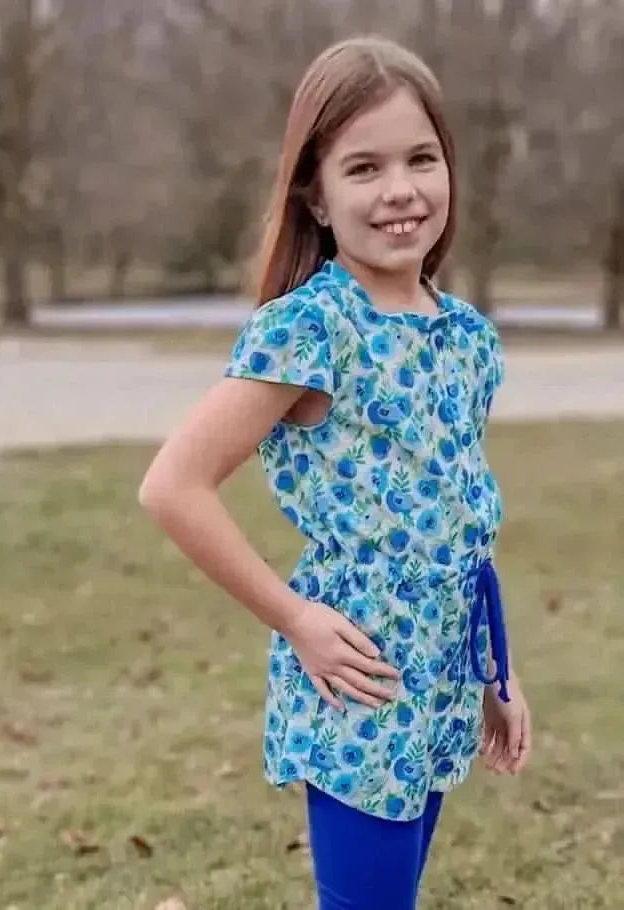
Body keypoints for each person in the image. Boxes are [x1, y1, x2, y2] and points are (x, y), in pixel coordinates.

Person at [139, 34, 532, 910]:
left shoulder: (466, 338)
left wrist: (494, 675)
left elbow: (461, 520)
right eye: (363, 168)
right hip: (358, 674)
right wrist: (295, 620)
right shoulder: (312, 329)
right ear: (315, 195)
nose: (400, 189)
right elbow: (172, 486)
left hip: (440, 673)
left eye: (420, 158)